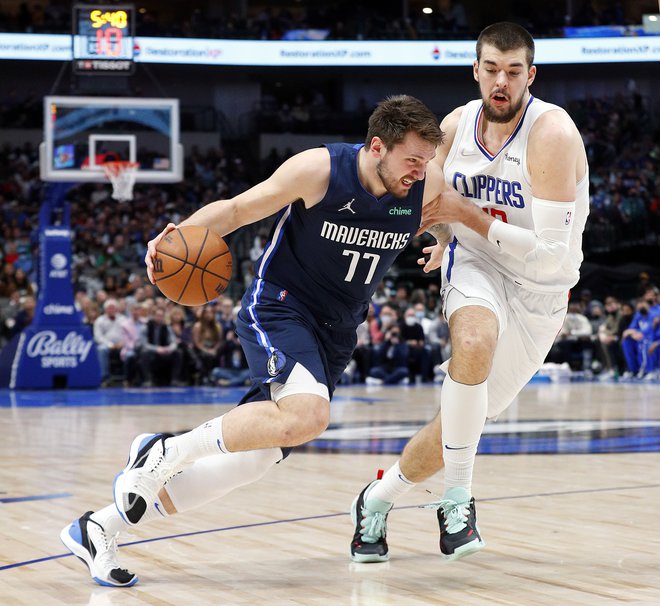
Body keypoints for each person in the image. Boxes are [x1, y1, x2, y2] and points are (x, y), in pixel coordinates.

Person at [60, 94, 448, 587]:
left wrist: (443, 241)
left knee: (250, 461)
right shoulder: (321, 169)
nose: (420, 170)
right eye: (412, 159)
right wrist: (176, 235)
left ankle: (97, 527)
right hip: (282, 306)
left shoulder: (425, 181)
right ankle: (163, 451)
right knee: (309, 415)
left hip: (337, 331)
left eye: (426, 160)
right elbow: (241, 209)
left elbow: (448, 212)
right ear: (377, 147)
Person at [350, 22, 589, 564]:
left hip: (542, 289)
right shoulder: (456, 126)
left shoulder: (551, 133)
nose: (500, 81)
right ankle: (458, 500)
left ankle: (377, 498)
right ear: (475, 71)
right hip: (476, 263)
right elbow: (431, 196)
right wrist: (441, 232)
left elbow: (552, 255)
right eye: (490, 69)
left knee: (459, 426)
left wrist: (468, 217)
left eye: (511, 71)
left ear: (530, 75)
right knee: (473, 343)